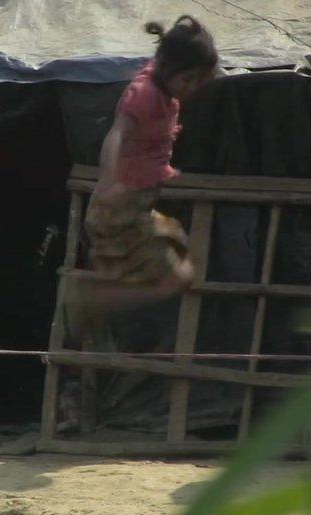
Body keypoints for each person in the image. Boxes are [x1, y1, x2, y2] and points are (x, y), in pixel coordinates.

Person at [80, 15, 217, 313]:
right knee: (179, 276)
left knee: (179, 248)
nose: (192, 88)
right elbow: (116, 135)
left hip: (138, 207)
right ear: (167, 67)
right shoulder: (143, 95)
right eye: (187, 79)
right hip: (120, 209)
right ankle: (92, 302)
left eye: (198, 81)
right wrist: (109, 181)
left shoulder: (165, 92)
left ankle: (101, 298)